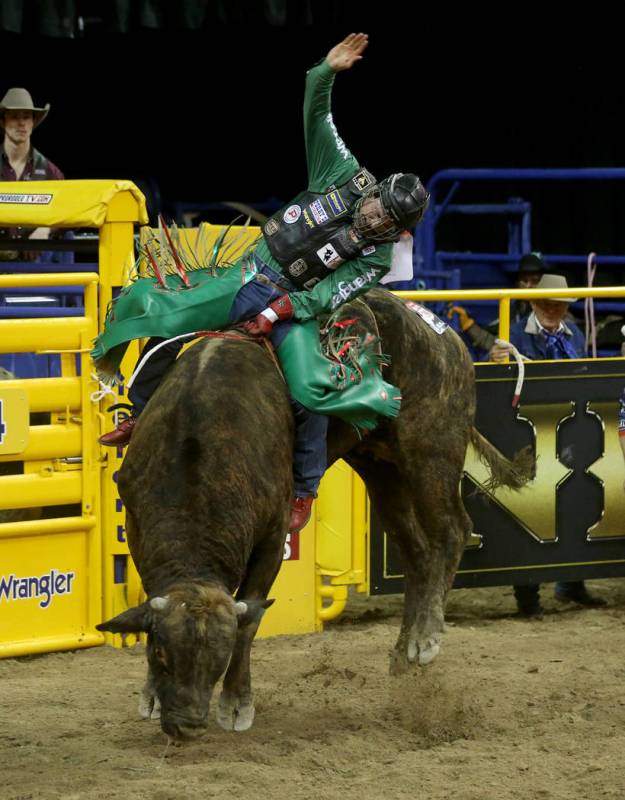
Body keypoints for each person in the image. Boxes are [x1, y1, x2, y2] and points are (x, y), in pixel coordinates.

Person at [95, 33, 430, 534]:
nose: (377, 216)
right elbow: (318, 117)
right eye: (380, 205)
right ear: (377, 191)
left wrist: (279, 312)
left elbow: (330, 293)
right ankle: (139, 414)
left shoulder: (376, 257)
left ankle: (304, 488)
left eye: (388, 219)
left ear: (396, 230)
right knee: (165, 316)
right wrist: (325, 73)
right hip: (249, 273)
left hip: (293, 304)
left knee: (309, 389)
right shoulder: (342, 174)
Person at [491, 273, 606, 615]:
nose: (554, 310)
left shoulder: (576, 334)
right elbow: (496, 381)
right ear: (534, 303)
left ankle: (571, 583)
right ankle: (528, 596)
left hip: (572, 429)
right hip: (528, 431)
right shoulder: (510, 335)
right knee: (531, 508)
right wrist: (496, 361)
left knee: (579, 501)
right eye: (547, 303)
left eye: (560, 304)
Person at [0, 88, 64, 259]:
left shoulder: (50, 171)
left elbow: (67, 211)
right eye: (14, 116)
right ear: (3, 121)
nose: (21, 123)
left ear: (33, 122)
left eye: (26, 117)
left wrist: (46, 229)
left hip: (35, 265)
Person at [451, 252, 547, 355]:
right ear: (518, 282)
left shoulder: (555, 311)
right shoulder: (514, 308)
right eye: (524, 280)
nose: (528, 286)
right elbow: (500, 343)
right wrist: (468, 325)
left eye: (535, 281)